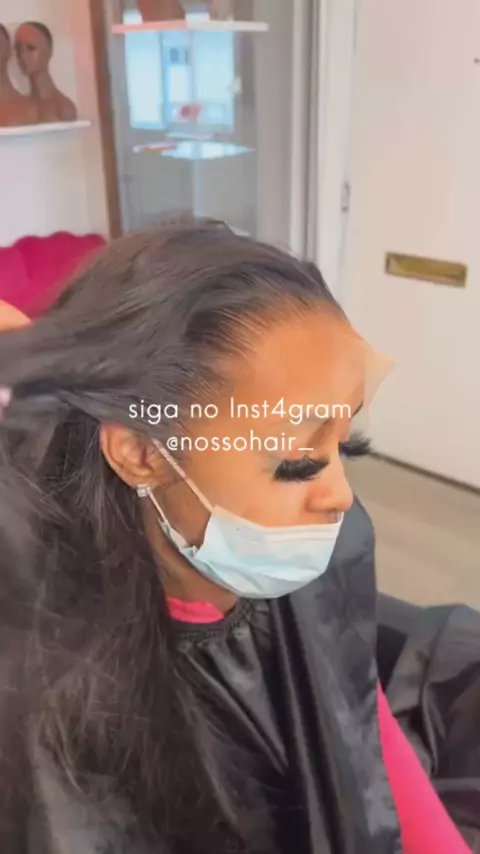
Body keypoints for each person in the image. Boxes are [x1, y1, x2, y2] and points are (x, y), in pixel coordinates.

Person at [0, 223, 478, 854]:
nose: (340, 496)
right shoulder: (53, 696)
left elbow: (353, 718)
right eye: (297, 462)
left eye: (346, 447)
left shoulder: (321, 545)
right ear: (143, 454)